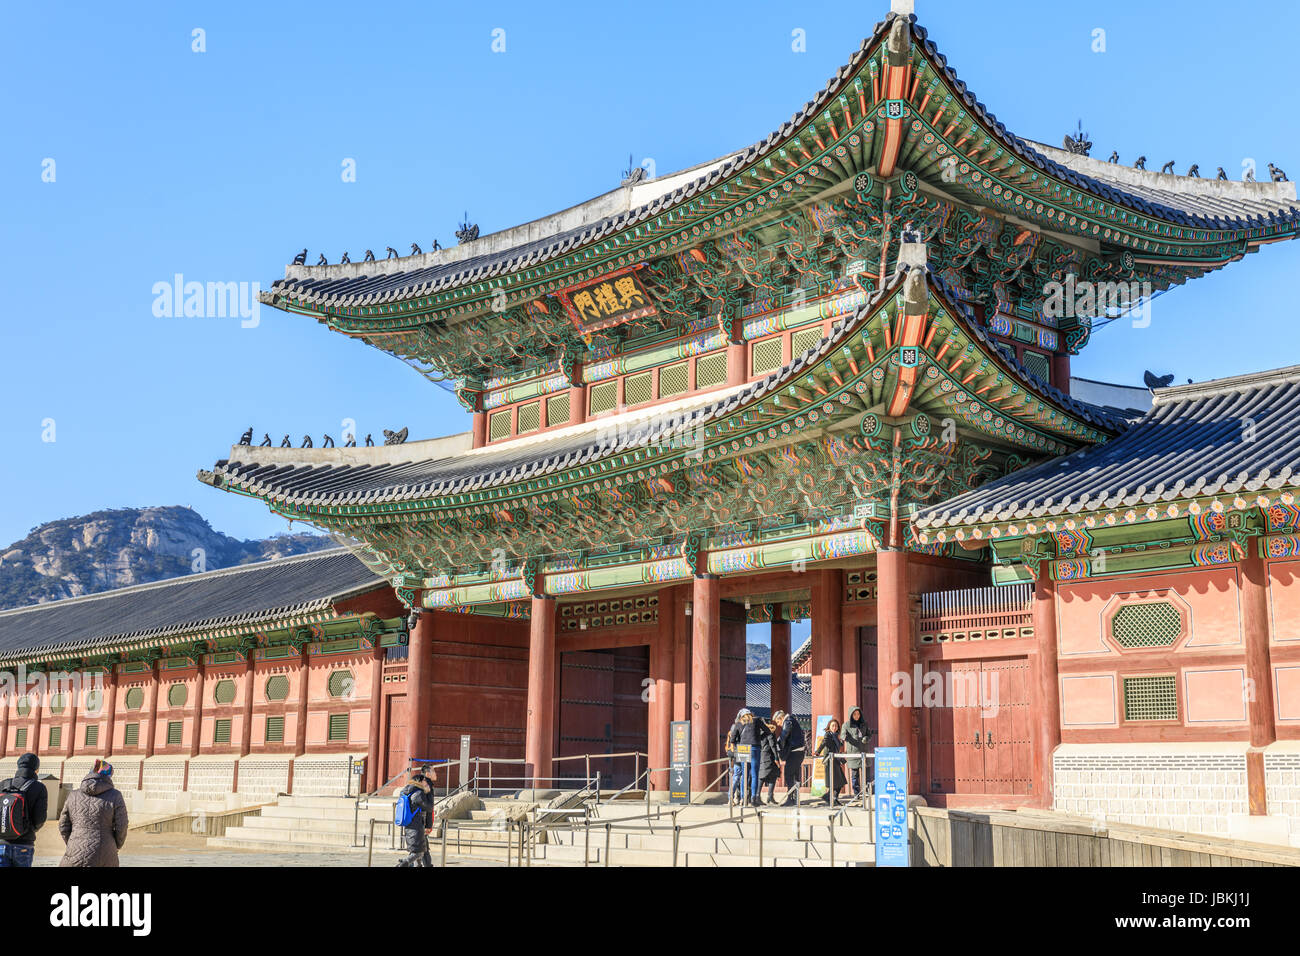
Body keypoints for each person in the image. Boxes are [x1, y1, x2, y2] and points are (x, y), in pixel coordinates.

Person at [58, 759, 128, 867]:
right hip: (106, 851)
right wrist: (116, 845)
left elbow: (63, 825)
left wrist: (73, 841)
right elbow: (122, 825)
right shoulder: (115, 796)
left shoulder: (73, 795)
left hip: (75, 848)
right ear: (109, 775)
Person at [0, 752, 49, 867]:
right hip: (24, 844)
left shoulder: (3, 784)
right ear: (36, 769)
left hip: (2, 843)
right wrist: (28, 829)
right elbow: (40, 819)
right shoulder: (39, 787)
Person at [396, 771, 434, 867]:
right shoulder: (418, 793)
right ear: (419, 781)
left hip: (410, 825)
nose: (426, 782)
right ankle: (402, 865)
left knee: (419, 853)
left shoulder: (407, 792)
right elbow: (429, 807)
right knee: (418, 853)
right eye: (424, 780)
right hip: (416, 827)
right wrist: (429, 793)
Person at [726, 709, 763, 805]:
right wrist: (758, 737)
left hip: (742, 748)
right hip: (754, 747)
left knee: (744, 775)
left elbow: (732, 738)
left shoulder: (738, 723)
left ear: (741, 716)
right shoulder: (757, 720)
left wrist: (734, 745)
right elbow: (767, 731)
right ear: (751, 714)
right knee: (754, 774)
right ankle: (753, 798)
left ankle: (743, 798)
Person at [773, 710, 805, 806]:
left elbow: (783, 736)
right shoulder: (792, 720)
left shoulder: (788, 722)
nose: (778, 725)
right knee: (795, 776)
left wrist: (778, 747)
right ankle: (796, 799)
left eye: (778, 722)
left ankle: (790, 799)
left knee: (789, 775)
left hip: (794, 752)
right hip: (799, 752)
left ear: (781, 718)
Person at [814, 719, 848, 804]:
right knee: (835, 781)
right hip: (830, 760)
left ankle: (832, 798)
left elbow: (839, 745)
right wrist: (818, 752)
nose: (834, 727)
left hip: (835, 760)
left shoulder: (836, 736)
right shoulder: (828, 735)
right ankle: (831, 798)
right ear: (829, 726)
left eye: (836, 726)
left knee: (840, 781)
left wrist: (842, 739)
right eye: (832, 725)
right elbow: (823, 743)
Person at [842, 705, 872, 798]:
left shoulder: (864, 724)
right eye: (854, 714)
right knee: (855, 775)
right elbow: (842, 735)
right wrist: (848, 738)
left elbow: (869, 734)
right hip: (853, 752)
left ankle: (867, 790)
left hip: (864, 751)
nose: (856, 716)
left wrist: (866, 738)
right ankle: (856, 793)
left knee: (866, 773)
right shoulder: (846, 725)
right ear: (851, 715)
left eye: (858, 714)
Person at [758, 719, 782, 805]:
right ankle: (770, 796)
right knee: (773, 776)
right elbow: (773, 746)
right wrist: (776, 758)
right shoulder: (770, 733)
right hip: (769, 757)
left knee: (761, 776)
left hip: (761, 756)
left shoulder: (759, 733)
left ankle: (757, 796)